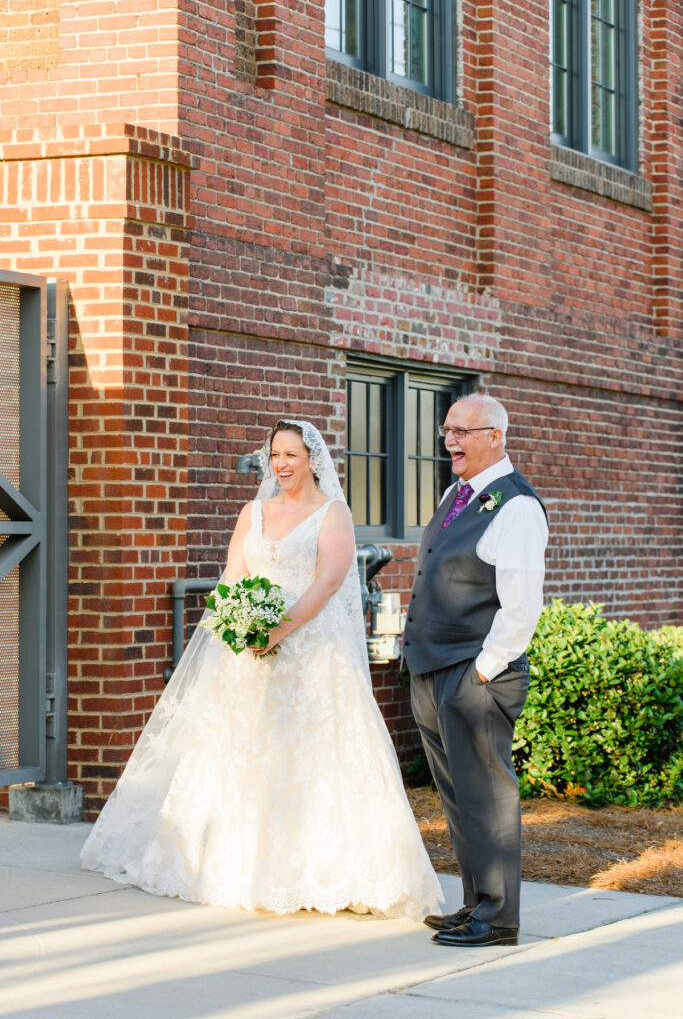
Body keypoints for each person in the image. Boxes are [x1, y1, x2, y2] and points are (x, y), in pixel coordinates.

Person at [81, 420, 443, 921]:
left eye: (291, 454)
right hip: (247, 658)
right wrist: (237, 623)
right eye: (275, 455)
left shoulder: (331, 512)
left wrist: (278, 630)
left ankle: (322, 874)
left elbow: (330, 579)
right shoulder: (253, 511)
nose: (282, 464)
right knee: (239, 757)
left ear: (312, 458)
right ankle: (227, 867)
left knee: (314, 761)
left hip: (310, 655)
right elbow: (234, 575)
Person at [402, 394, 548, 947]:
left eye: (463, 431)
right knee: (458, 793)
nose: (451, 442)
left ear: (496, 436)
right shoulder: (457, 495)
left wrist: (483, 671)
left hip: (476, 674)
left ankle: (499, 917)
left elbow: (521, 607)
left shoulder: (517, 506)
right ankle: (475, 903)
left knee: (487, 795)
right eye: (448, 431)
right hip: (434, 669)